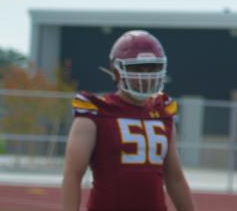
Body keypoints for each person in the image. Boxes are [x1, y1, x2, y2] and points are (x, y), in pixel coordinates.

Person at [61, 30, 194, 211]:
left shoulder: (163, 112)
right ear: (117, 71)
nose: (146, 76)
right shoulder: (96, 112)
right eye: (138, 68)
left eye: (152, 68)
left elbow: (175, 179)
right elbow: (72, 175)